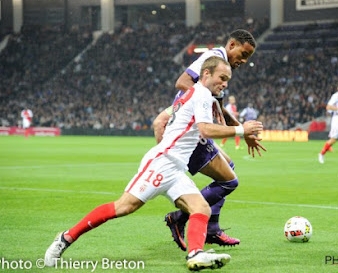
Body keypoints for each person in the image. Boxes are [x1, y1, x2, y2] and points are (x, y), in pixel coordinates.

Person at [44, 57, 264, 271]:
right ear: (206, 73)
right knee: (124, 207)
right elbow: (206, 129)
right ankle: (65, 238)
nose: (225, 84)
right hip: (162, 163)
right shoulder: (202, 95)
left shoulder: (196, 93)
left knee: (201, 208)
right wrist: (241, 130)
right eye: (222, 77)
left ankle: (195, 254)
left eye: (228, 80)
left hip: (176, 168)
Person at [153, 30, 266, 251]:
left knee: (229, 168)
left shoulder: (221, 68)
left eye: (247, 58)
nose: (243, 61)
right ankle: (180, 218)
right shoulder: (213, 58)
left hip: (193, 128)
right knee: (229, 181)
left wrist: (243, 132)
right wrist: (207, 106)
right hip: (190, 130)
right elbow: (183, 82)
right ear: (232, 44)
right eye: (243, 54)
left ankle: (211, 228)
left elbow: (220, 108)